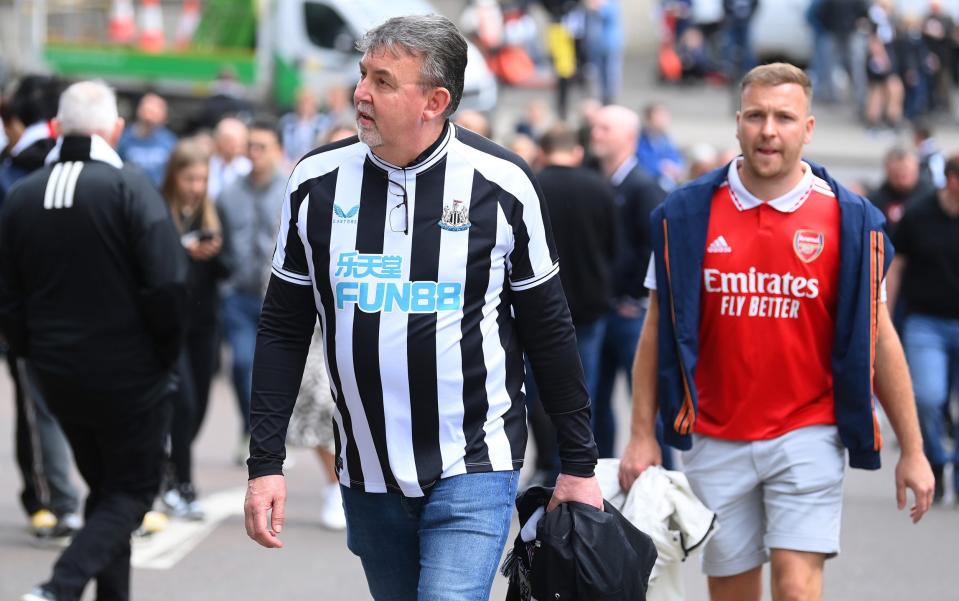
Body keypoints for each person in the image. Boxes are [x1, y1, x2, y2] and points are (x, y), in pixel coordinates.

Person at [242, 14, 602, 601]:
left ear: (436, 100)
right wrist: (265, 463)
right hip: (367, 467)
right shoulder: (315, 182)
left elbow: (550, 333)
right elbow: (283, 328)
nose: (360, 92)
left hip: (476, 461)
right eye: (363, 76)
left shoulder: (503, 183)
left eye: (383, 82)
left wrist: (578, 464)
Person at [618, 63, 934, 601]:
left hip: (809, 431)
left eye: (784, 117)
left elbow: (880, 336)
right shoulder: (685, 215)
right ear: (738, 123)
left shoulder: (849, 220)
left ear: (807, 128)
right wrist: (643, 434)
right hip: (715, 436)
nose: (770, 130)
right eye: (758, 116)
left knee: (795, 588)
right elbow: (656, 329)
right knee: (734, 593)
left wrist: (914, 448)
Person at [0, 80, 187, 601]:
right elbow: (168, 285)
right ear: (117, 129)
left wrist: (29, 357)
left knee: (107, 494)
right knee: (131, 492)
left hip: (55, 376)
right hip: (130, 374)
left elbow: (8, 299)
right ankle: (58, 587)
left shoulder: (21, 194)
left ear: (57, 128)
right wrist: (165, 357)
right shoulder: (129, 186)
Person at [0, 74, 82, 539]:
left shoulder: (11, 172)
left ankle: (54, 502)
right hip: (88, 308)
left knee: (40, 409)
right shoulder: (96, 168)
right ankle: (118, 497)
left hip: (31, 313)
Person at [524, 124, 618, 486]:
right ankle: (579, 466)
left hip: (538, 312)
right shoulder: (599, 188)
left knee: (537, 393)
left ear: (543, 151)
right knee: (584, 391)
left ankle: (548, 463)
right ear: (576, 153)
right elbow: (614, 246)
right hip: (589, 310)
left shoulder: (531, 186)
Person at [159, 138, 233, 519]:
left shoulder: (212, 212)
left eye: (202, 179)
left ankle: (169, 467)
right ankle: (184, 485)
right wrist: (181, 251)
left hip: (205, 325)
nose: (196, 186)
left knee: (200, 405)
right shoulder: (158, 210)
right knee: (183, 403)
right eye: (189, 178)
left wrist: (214, 251)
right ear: (175, 176)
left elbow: (229, 268)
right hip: (169, 326)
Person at [589, 104, 667, 461]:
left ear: (629, 138)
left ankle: (663, 480)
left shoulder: (643, 187)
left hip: (630, 313)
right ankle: (599, 481)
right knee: (593, 402)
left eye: (605, 128)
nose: (596, 133)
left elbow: (653, 250)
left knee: (647, 402)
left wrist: (631, 293)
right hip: (600, 312)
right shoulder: (594, 179)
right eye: (596, 127)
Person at [886, 154, 959, 504]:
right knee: (928, 398)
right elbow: (897, 266)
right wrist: (882, 315)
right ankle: (936, 459)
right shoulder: (919, 213)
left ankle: (956, 471)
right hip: (925, 322)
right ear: (950, 179)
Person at [219, 118, 287, 464]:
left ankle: (267, 437)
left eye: (262, 147)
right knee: (241, 363)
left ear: (278, 151)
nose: (254, 153)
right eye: (251, 146)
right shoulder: (230, 193)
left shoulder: (291, 189)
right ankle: (250, 428)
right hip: (238, 294)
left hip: (278, 297)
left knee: (272, 369)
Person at [867, 146, 932, 238]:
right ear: (887, 170)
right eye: (897, 173)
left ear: (916, 168)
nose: (901, 175)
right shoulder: (874, 202)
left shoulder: (930, 197)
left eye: (906, 170)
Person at [116, 92, 177, 187]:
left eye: (155, 112)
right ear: (139, 111)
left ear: (164, 116)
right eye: (148, 111)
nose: (149, 117)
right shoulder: (124, 138)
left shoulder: (169, 142)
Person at [636, 102, 685, 192]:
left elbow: (676, 158)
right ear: (649, 119)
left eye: (665, 116)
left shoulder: (666, 138)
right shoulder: (639, 139)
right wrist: (661, 168)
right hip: (649, 185)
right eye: (659, 116)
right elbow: (641, 163)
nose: (664, 120)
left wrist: (675, 168)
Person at [279, 86, 330, 166]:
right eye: (302, 102)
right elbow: (282, 147)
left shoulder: (324, 123)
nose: (305, 106)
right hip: (290, 164)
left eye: (309, 102)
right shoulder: (287, 122)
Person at [207, 117, 251, 201]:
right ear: (218, 140)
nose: (235, 144)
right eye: (229, 140)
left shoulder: (248, 168)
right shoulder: (206, 164)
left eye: (240, 140)